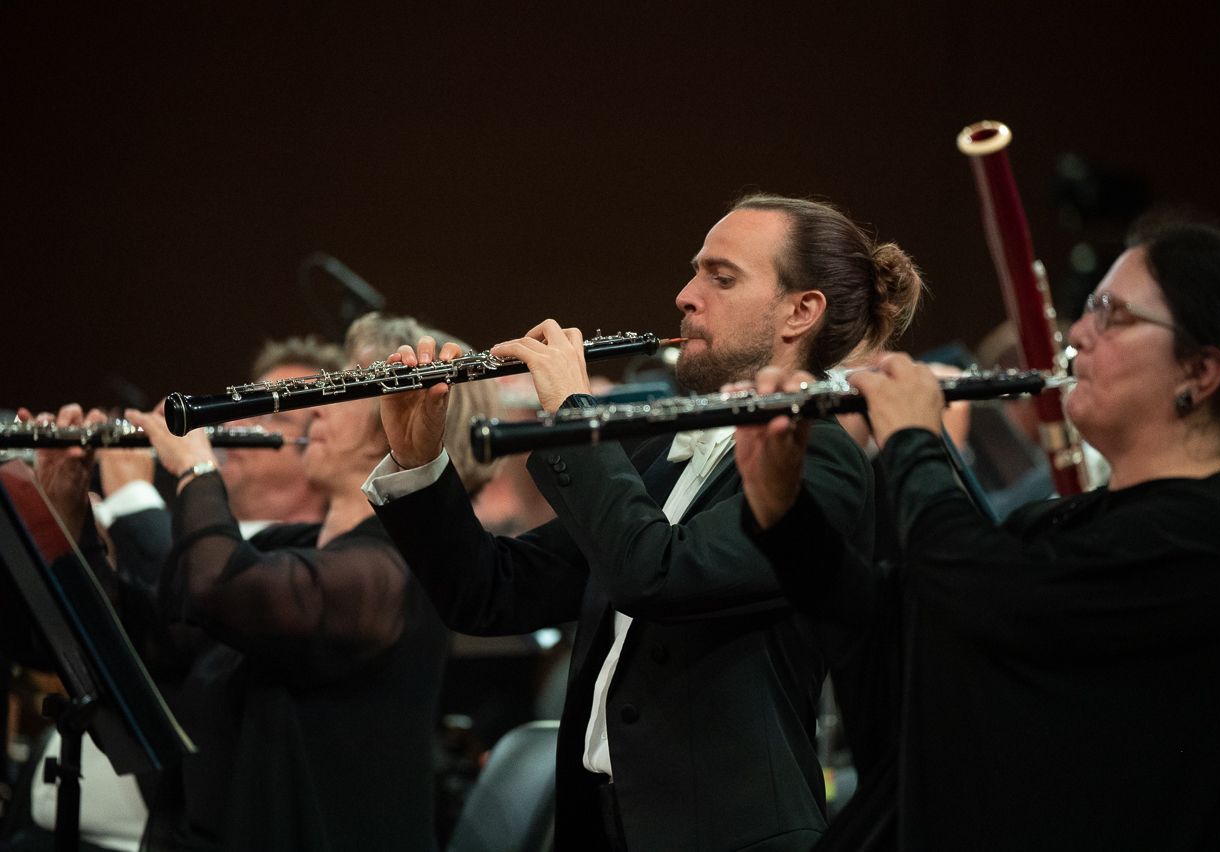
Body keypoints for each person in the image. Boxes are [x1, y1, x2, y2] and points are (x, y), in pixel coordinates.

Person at [364, 193, 924, 851]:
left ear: (800, 312)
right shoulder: (658, 453)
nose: (686, 296)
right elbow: (490, 592)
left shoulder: (818, 457)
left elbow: (659, 575)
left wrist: (574, 412)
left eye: (722, 277)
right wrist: (419, 462)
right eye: (694, 273)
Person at [736, 225, 1220, 851]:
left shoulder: (1216, 541)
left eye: (1113, 314)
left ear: (1201, 370)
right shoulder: (1067, 520)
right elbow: (891, 630)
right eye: (1090, 309)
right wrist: (785, 513)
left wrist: (914, 440)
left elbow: (981, 602)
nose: (1078, 334)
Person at [120, 313, 499, 852]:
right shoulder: (295, 546)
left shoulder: (394, 569)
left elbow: (221, 587)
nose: (317, 405)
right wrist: (67, 520)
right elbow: (164, 630)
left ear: (400, 418)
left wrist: (196, 470)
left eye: (345, 387)